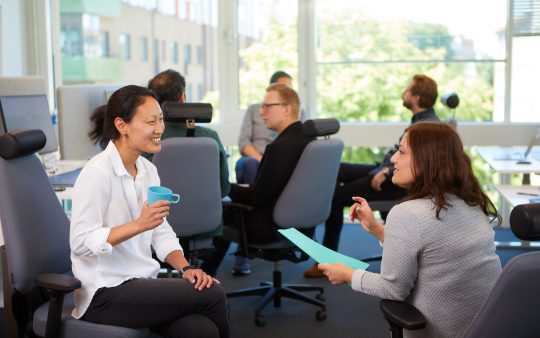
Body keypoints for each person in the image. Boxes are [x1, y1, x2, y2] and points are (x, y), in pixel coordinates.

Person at [318, 122, 502, 338]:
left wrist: (348, 274)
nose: (394, 159)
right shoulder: (470, 203)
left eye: (402, 152)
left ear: (426, 161)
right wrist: (377, 229)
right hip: (487, 326)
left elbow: (393, 289)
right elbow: (433, 249)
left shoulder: (408, 213)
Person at [75, 85, 230, 338]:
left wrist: (186, 268)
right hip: (104, 292)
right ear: (122, 125)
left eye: (160, 120)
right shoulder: (97, 173)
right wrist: (138, 225)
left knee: (200, 330)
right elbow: (80, 243)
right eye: (150, 122)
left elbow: (160, 229)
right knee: (213, 294)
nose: (160, 129)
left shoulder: (147, 169)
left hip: (142, 283)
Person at [304, 74, 441, 278]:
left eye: (407, 90)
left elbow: (413, 167)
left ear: (416, 98)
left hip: (395, 183)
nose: (403, 93)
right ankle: (311, 223)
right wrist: (383, 168)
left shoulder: (426, 126)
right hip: (386, 171)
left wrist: (385, 171)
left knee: (337, 196)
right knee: (336, 168)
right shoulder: (422, 121)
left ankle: (325, 260)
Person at [204, 83, 315, 276]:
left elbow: (256, 197)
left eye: (267, 106)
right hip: (300, 224)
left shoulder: (280, 147)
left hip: (270, 226)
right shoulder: (307, 140)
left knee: (217, 213)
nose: (261, 112)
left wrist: (223, 185)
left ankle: (201, 280)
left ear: (287, 109)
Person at [147, 69, 230, 197]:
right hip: (207, 215)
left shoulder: (146, 139)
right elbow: (223, 189)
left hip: (159, 214)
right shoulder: (210, 138)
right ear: (183, 97)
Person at [235, 70, 293, 185]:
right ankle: (254, 202)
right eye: (285, 88)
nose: (289, 92)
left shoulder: (296, 113)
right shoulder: (254, 110)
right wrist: (262, 160)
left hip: (282, 159)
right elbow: (243, 142)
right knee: (250, 164)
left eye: (290, 89)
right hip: (255, 159)